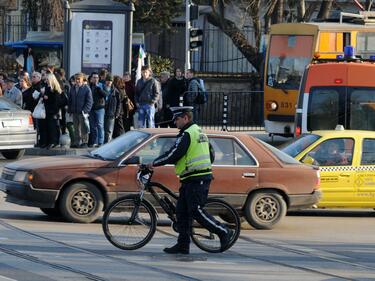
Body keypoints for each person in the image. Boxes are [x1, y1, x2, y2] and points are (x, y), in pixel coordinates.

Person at [147, 106, 233, 254]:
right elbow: (210, 155)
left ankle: (223, 231)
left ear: (185, 118)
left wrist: (153, 163)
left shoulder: (187, 134)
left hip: (197, 178)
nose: (175, 122)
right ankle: (183, 244)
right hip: (192, 177)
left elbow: (173, 154)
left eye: (177, 119)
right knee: (182, 212)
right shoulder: (199, 132)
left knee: (196, 211)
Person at [67, 72, 93, 148]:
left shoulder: (86, 88)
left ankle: (84, 142)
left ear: (82, 79)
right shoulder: (72, 88)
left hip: (82, 112)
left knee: (84, 128)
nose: (77, 80)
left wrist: (85, 111)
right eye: (76, 79)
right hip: (75, 111)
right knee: (76, 128)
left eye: (78, 79)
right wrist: (70, 110)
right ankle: (77, 142)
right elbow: (70, 100)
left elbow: (90, 101)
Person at [38, 73, 63, 149]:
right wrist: (44, 96)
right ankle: (49, 142)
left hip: (53, 111)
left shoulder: (56, 89)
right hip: (47, 111)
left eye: (48, 80)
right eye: (46, 80)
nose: (46, 81)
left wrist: (47, 98)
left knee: (53, 127)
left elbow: (57, 101)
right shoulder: (47, 88)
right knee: (48, 127)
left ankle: (54, 142)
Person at [88, 72, 107, 147]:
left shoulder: (101, 85)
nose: (95, 79)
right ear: (91, 78)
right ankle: (94, 142)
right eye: (94, 77)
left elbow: (106, 95)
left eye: (97, 77)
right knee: (93, 126)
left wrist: (98, 88)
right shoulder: (89, 86)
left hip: (100, 108)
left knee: (100, 125)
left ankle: (100, 142)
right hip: (91, 109)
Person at [103, 74, 121, 143]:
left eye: (110, 81)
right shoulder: (102, 89)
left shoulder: (115, 91)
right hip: (103, 112)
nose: (109, 82)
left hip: (111, 113)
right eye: (107, 80)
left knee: (109, 130)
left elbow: (119, 103)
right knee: (102, 129)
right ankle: (103, 143)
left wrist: (117, 113)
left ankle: (107, 143)